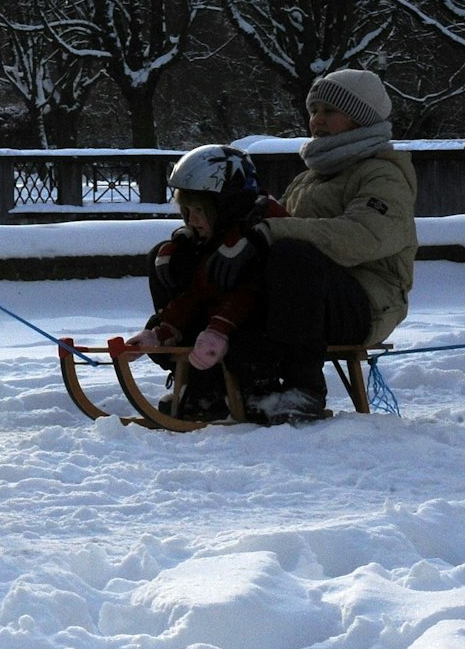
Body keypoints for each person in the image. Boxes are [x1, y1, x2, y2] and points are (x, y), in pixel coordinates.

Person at [205, 69, 418, 422]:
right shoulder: (310, 176)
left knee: (292, 254)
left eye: (329, 111)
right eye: (313, 110)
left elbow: (364, 237)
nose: (316, 120)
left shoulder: (382, 174)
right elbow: (282, 225)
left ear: (360, 119)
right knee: (215, 257)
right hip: (306, 296)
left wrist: (273, 231)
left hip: (367, 301)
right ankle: (217, 382)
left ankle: (304, 389)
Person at [123, 145, 289, 421]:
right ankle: (201, 387)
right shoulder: (216, 239)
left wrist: (218, 330)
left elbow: (248, 293)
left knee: (246, 340)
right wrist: (162, 332)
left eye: (200, 211)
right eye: (186, 212)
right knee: (168, 271)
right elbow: (197, 291)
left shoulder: (254, 239)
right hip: (223, 321)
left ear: (227, 208)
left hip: (262, 327)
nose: (192, 220)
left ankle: (257, 389)